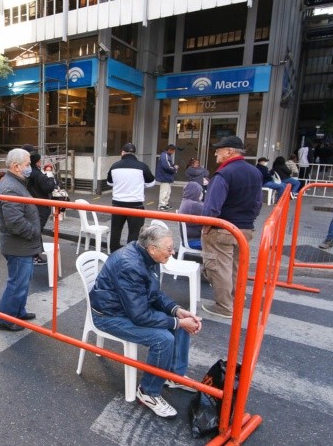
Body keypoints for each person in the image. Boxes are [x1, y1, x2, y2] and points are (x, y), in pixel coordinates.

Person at [88, 223, 202, 418]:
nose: (173, 252)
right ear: (152, 248)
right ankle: (148, 392)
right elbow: (140, 316)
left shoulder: (148, 256)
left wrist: (177, 311)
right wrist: (178, 322)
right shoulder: (130, 265)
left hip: (125, 308)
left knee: (177, 322)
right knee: (164, 339)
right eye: (169, 249)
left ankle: (173, 375)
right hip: (108, 316)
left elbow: (154, 293)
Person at [201, 136, 262, 319]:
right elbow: (258, 203)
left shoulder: (224, 174)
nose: (215, 153)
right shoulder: (255, 172)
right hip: (245, 229)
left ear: (229, 151)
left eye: (219, 150)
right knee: (236, 267)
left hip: (223, 228)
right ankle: (236, 300)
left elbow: (211, 208)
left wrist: (206, 226)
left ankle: (224, 307)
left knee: (220, 268)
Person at [0, 148, 43, 331]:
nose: (30, 167)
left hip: (22, 245)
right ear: (16, 167)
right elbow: (15, 222)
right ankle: (5, 320)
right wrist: (35, 232)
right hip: (18, 246)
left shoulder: (16, 183)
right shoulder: (11, 187)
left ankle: (18, 311)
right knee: (17, 283)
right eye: (27, 164)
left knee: (23, 281)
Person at [106, 143, 156, 251]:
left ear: (122, 152)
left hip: (117, 203)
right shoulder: (142, 166)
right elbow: (151, 183)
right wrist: (141, 184)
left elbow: (109, 183)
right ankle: (130, 254)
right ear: (134, 153)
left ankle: (113, 253)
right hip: (135, 204)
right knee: (134, 233)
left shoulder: (114, 166)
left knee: (115, 231)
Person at [178, 182, 204, 249]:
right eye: (200, 191)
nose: (202, 193)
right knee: (218, 244)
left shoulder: (186, 201)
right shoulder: (194, 205)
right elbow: (209, 212)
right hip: (194, 240)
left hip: (189, 238)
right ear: (195, 192)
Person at [155, 144, 178, 211]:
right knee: (164, 191)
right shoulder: (165, 155)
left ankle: (165, 203)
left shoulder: (166, 155)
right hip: (165, 176)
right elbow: (166, 166)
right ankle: (161, 205)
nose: (173, 152)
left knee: (167, 192)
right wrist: (175, 168)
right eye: (173, 151)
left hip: (167, 176)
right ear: (169, 150)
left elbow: (168, 165)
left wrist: (173, 166)